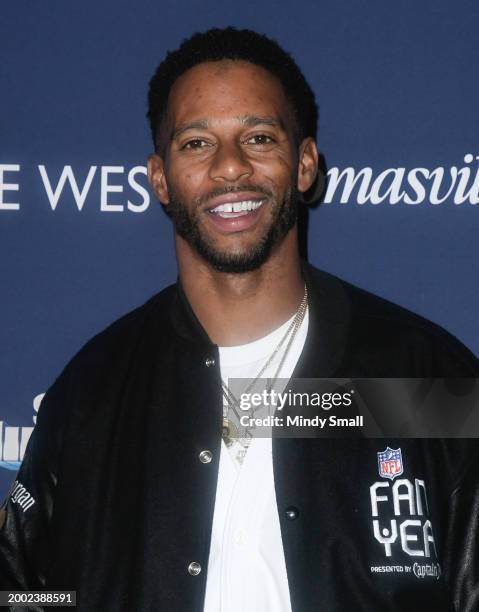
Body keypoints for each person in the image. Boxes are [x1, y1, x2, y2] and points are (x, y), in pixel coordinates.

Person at [1, 26, 478, 612]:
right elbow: (23, 591)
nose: (230, 168)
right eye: (197, 143)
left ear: (304, 165)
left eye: (258, 137)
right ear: (159, 178)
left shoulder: (423, 378)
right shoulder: (93, 391)